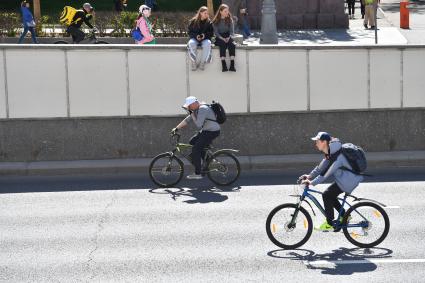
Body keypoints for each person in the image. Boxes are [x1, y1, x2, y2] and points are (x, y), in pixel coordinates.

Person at [299, 132, 364, 232]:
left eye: (317, 141)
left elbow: (325, 174)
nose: (315, 143)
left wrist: (311, 183)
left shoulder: (336, 156)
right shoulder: (330, 152)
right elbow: (320, 168)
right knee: (330, 195)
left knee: (327, 195)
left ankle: (329, 223)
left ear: (324, 142)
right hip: (345, 178)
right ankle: (345, 216)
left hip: (349, 180)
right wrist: (310, 176)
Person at [171, 96, 221, 180]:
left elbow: (198, 124)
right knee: (192, 141)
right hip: (206, 130)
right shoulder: (197, 109)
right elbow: (187, 120)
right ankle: (208, 161)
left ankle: (198, 173)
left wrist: (192, 114)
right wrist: (176, 128)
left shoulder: (202, 109)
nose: (189, 108)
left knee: (196, 149)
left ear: (194, 104)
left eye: (189, 106)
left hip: (212, 131)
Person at [187, 6, 214, 71]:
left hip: (205, 39)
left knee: (208, 43)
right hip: (195, 39)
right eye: (205, 13)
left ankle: (202, 63)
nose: (207, 15)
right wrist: (196, 36)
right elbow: (189, 32)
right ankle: (193, 62)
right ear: (200, 13)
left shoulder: (209, 22)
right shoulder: (193, 21)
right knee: (191, 43)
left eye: (207, 13)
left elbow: (211, 33)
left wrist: (204, 35)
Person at [213, 4, 237, 72]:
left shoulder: (230, 20)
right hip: (219, 37)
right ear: (220, 11)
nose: (227, 12)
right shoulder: (216, 21)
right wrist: (222, 38)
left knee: (232, 44)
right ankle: (224, 65)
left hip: (228, 36)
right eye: (225, 11)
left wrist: (229, 37)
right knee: (222, 44)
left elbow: (232, 32)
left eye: (227, 11)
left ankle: (232, 65)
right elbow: (216, 33)